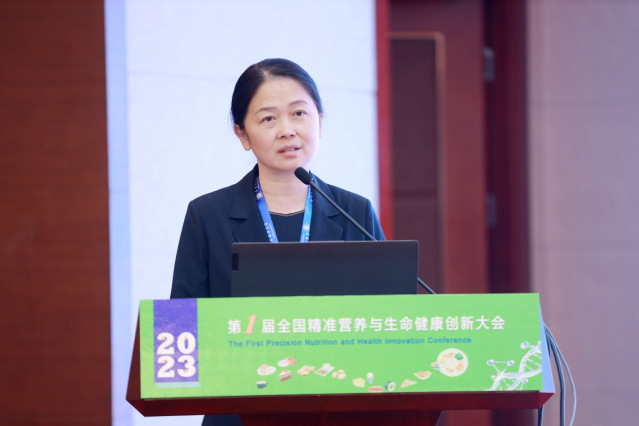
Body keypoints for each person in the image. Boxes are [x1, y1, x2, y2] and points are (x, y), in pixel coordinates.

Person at [170, 58, 385, 426]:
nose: (287, 130)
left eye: (299, 113)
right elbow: (179, 331)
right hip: (238, 413)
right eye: (268, 118)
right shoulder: (207, 216)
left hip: (338, 411)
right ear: (242, 135)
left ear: (320, 122)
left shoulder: (354, 212)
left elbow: (388, 320)